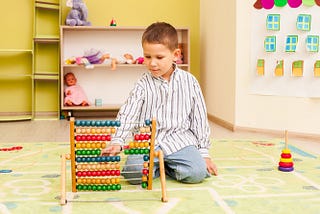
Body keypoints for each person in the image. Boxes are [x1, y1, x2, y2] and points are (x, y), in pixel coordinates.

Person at [101, 22, 218, 184]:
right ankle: (156, 166)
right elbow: (128, 113)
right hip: (146, 141)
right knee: (133, 174)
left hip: (180, 141)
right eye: (147, 57)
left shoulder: (190, 82)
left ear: (175, 54)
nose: (152, 63)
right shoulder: (142, 84)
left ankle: (167, 167)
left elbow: (199, 118)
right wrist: (117, 141)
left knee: (197, 173)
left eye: (159, 57)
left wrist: (204, 153)